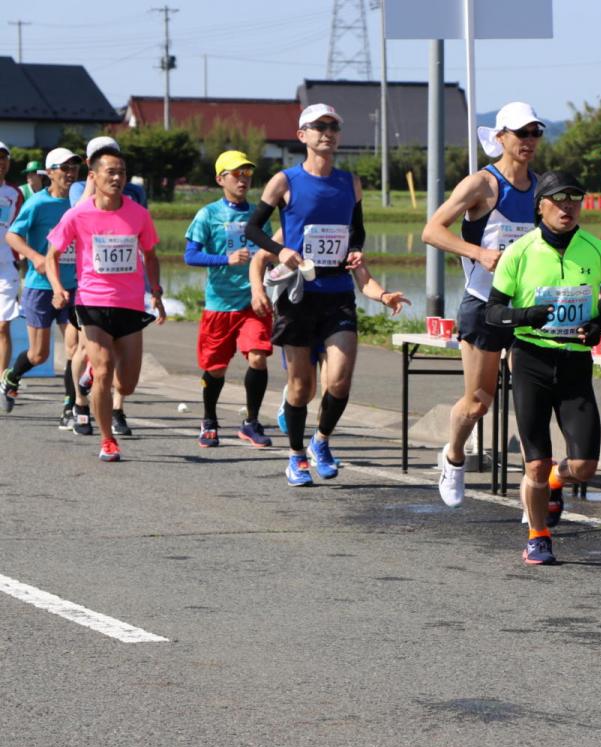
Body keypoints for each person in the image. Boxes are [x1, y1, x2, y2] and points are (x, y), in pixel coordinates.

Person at [245, 103, 408, 486]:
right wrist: (280, 249)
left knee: (339, 380)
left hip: (337, 293)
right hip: (299, 295)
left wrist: (357, 252)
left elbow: (358, 231)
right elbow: (253, 229)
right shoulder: (284, 181)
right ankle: (297, 454)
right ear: (302, 135)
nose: (327, 133)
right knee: (302, 386)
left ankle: (322, 441)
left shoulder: (350, 182)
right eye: (319, 126)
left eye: (334, 126)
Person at [485, 171, 601, 565]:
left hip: (575, 362)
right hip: (530, 359)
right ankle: (538, 535)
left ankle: (555, 481)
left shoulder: (596, 249)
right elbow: (492, 313)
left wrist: (599, 325)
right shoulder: (520, 251)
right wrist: (527, 314)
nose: (567, 208)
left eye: (574, 201)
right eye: (559, 201)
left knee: (583, 467)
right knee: (535, 460)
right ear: (540, 206)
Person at [422, 101, 543, 508]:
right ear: (501, 137)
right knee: (478, 403)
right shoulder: (482, 185)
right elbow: (432, 231)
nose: (528, 141)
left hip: (527, 309)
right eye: (520, 133)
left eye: (535, 133)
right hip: (483, 304)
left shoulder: (542, 188)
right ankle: (453, 456)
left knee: (530, 404)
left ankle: (535, 501)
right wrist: (477, 252)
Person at [44, 144, 166, 462]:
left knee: (127, 383)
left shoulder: (138, 214)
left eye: (122, 172)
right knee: (103, 369)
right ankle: (107, 438)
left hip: (130, 304)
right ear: (94, 176)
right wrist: (57, 287)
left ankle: (92, 379)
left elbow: (151, 256)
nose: (117, 177)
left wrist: (156, 291)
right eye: (110, 172)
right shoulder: (78, 214)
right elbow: (52, 254)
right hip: (92, 302)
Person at [184, 150, 275, 448]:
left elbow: (270, 252)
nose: (243, 179)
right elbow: (190, 255)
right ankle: (209, 419)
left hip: (254, 300)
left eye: (248, 173)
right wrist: (226, 258)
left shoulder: (258, 215)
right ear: (220, 178)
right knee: (216, 368)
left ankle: (251, 422)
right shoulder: (208, 214)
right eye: (237, 174)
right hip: (219, 304)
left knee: (259, 357)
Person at [4, 147, 84, 429]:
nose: (71, 173)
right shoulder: (37, 203)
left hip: (73, 285)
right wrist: (37, 257)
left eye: (75, 167)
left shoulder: (82, 203)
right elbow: (12, 236)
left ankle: (70, 407)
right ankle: (12, 377)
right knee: (39, 355)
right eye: (65, 168)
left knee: (74, 348)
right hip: (40, 286)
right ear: (49, 173)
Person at [0, 142, 23, 401]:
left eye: (4, 158)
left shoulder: (14, 194)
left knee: (3, 325)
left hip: (6, 265)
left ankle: (3, 380)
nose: (1, 163)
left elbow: (21, 228)